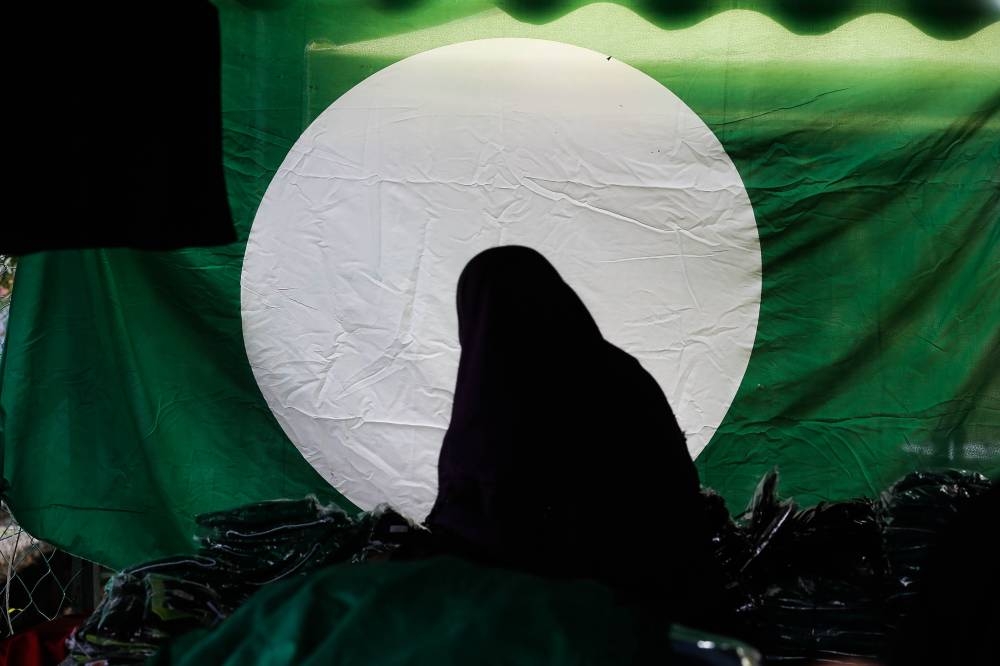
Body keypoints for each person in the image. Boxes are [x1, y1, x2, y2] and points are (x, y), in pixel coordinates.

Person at [423, 245, 724, 629]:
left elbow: (483, 527)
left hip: (562, 622)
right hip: (663, 610)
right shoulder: (623, 376)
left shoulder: (494, 398)